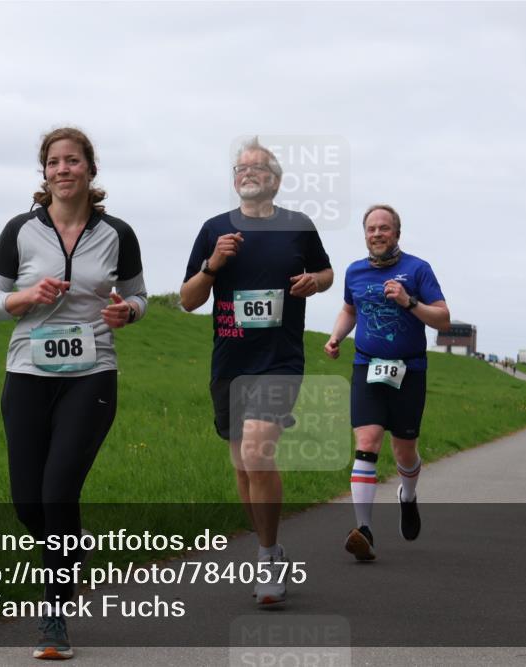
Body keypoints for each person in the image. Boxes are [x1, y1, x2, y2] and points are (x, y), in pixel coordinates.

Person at [0, 127, 147, 659]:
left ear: (90, 171)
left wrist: (128, 312)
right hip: (27, 372)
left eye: (73, 161)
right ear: (44, 173)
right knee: (29, 503)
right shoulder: (19, 231)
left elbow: (138, 295)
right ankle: (75, 548)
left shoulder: (118, 232)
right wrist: (25, 296)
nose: (63, 169)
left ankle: (54, 617)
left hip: (91, 376)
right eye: (54, 162)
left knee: (57, 493)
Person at [180, 137, 333, 604]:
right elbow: (187, 300)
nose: (248, 173)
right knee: (242, 466)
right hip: (230, 362)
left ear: (276, 180)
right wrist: (213, 265)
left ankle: (266, 558)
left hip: (279, 361)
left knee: (257, 451)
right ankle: (273, 547)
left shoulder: (298, 227)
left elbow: (327, 274)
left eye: (259, 168)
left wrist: (315, 282)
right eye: (241, 168)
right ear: (234, 181)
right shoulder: (214, 230)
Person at [324, 204, 450, 561]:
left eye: (384, 228)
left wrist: (409, 302)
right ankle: (363, 530)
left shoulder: (417, 269)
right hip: (368, 366)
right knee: (367, 441)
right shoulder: (355, 272)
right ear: (365, 235)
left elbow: (442, 318)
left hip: (409, 369)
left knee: (404, 450)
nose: (377, 234)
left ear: (397, 233)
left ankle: (407, 497)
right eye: (371, 229)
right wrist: (336, 337)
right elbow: (350, 309)